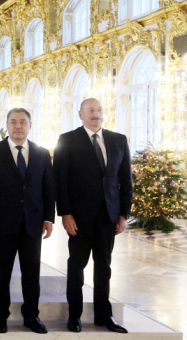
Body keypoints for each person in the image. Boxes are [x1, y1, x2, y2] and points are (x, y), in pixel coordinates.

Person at [55, 98, 133, 333]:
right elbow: (60, 181)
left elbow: (125, 181)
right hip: (79, 218)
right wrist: (65, 213)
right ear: (80, 114)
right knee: (76, 267)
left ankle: (103, 316)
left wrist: (123, 214)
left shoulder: (119, 140)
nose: (95, 114)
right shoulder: (67, 140)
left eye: (99, 110)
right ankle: (74, 316)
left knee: (104, 268)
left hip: (108, 217)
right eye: (90, 110)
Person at [0, 108, 55, 334]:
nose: (18, 126)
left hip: (33, 223)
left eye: (23, 122)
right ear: (7, 125)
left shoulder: (42, 154)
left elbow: (48, 189)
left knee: (32, 274)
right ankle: (0, 316)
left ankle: (31, 316)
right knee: (1, 273)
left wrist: (48, 218)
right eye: (13, 122)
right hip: (3, 224)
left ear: (30, 125)